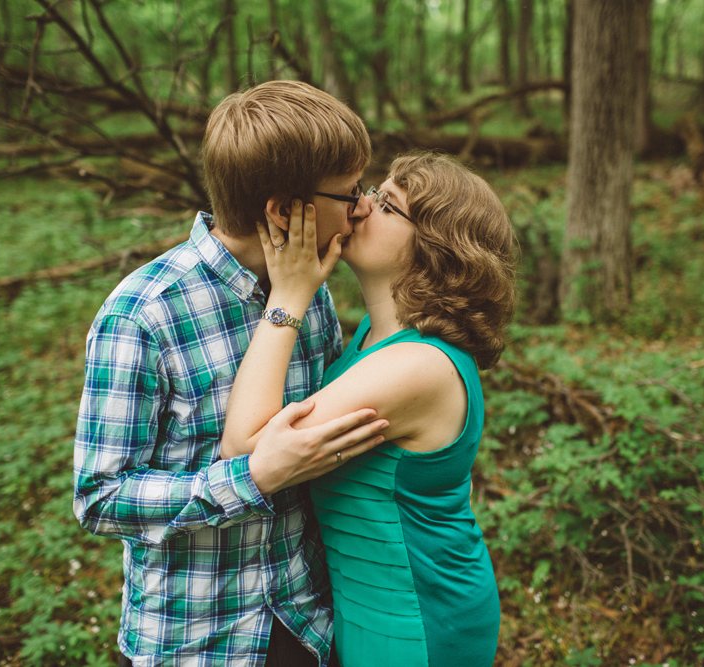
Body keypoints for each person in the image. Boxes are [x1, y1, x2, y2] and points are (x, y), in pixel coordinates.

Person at [73, 80, 391, 667]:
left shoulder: (309, 293)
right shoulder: (143, 314)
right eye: (349, 193)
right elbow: (99, 497)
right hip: (194, 638)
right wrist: (250, 478)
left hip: (304, 624)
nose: (364, 206)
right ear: (283, 210)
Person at [220, 151, 517, 667]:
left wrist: (288, 295)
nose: (358, 206)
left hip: (414, 617)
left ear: (434, 248)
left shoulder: (418, 365)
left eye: (386, 204)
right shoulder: (374, 337)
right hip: (367, 604)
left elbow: (246, 446)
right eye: (370, 192)